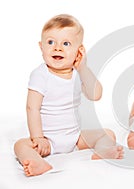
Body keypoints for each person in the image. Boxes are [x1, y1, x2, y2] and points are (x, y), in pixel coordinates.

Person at [13, 14, 124, 177]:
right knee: (20, 146)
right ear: (41, 47)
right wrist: (38, 137)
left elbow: (96, 95)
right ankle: (38, 162)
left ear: (79, 51)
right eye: (50, 42)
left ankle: (102, 151)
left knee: (108, 134)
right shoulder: (40, 75)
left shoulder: (78, 73)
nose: (57, 48)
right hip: (48, 140)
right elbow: (32, 108)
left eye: (66, 43)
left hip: (75, 138)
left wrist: (83, 68)